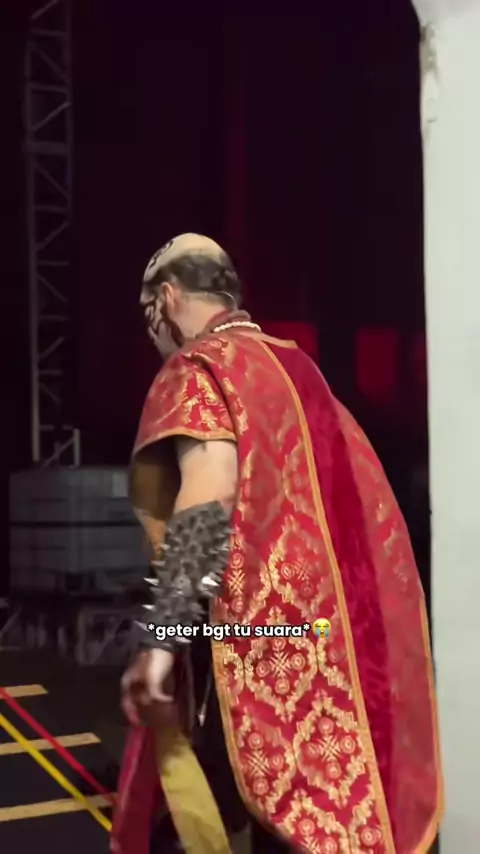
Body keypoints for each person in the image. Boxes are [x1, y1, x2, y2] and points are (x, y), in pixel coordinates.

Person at [111, 234, 442, 854]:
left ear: (169, 297)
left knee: (220, 814)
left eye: (148, 314)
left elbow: (210, 494)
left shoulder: (201, 365)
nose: (152, 334)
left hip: (255, 651)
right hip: (333, 650)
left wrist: (163, 637)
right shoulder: (299, 369)